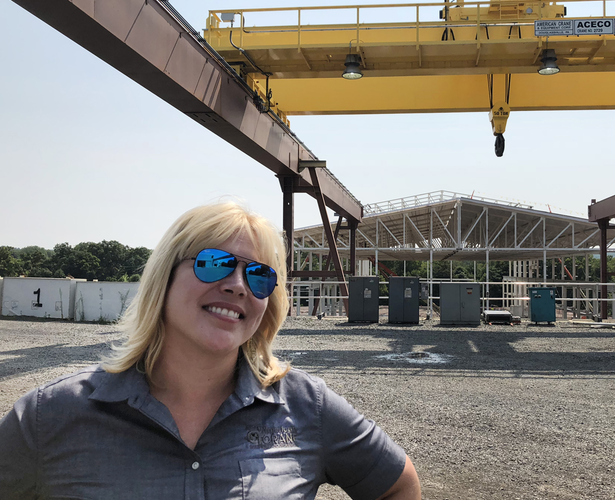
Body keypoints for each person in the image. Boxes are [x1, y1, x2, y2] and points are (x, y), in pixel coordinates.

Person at [0, 202, 421, 500]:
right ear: (164, 278)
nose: (237, 284)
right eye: (215, 263)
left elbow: (398, 485)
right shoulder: (48, 417)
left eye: (258, 276)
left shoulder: (307, 408)